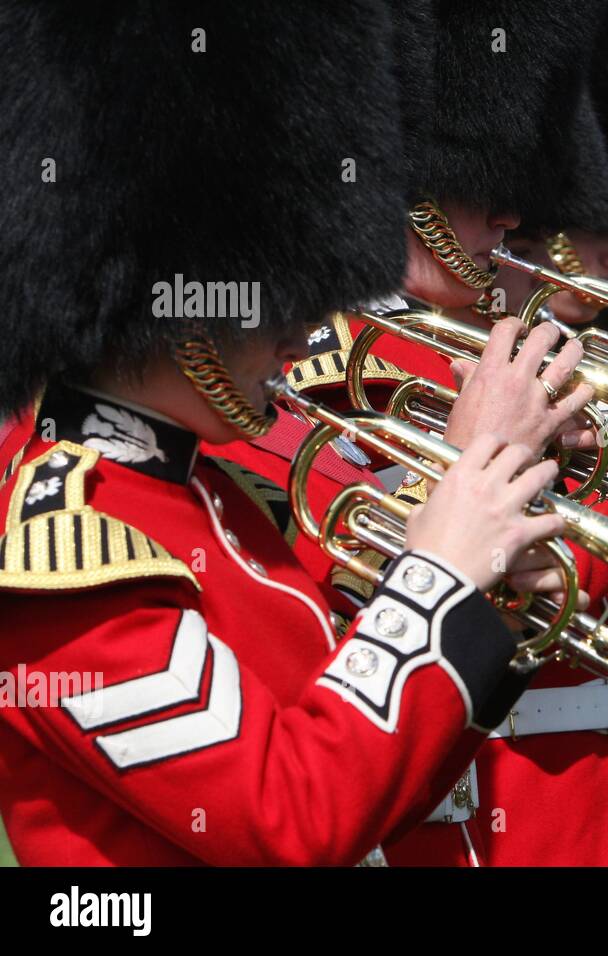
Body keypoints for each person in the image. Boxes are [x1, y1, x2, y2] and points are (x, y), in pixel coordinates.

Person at [0, 3, 571, 866]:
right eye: (281, 295)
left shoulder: (232, 499)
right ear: (177, 301)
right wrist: (440, 572)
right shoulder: (74, 559)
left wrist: (486, 606)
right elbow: (289, 820)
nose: (306, 334)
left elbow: (382, 779)